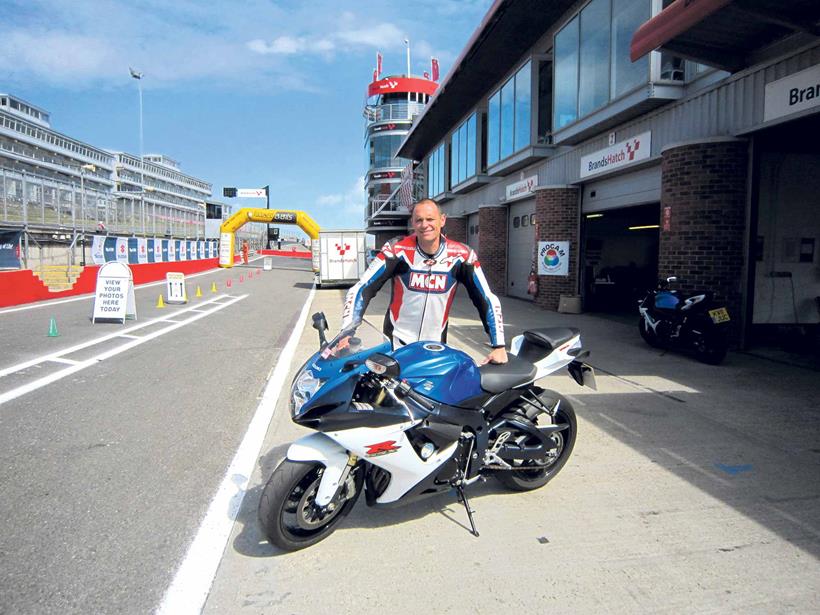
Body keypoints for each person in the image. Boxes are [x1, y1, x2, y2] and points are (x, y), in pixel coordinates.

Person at [342, 199, 507, 365]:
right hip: (396, 344)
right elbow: (361, 288)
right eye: (419, 220)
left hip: (435, 349)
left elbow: (486, 298)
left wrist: (499, 345)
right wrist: (346, 332)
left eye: (430, 219)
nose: (424, 225)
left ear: (442, 220)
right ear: (412, 222)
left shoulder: (462, 255)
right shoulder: (396, 249)